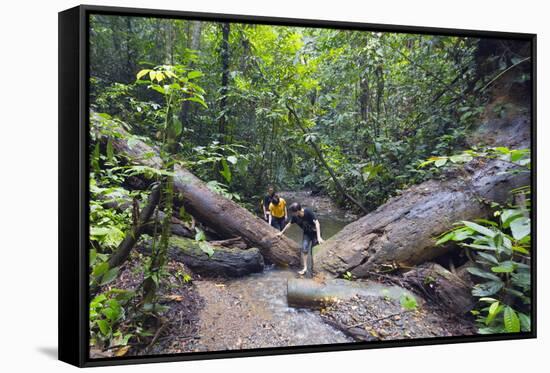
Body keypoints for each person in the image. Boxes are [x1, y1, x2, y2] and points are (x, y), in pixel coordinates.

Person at [277, 202, 324, 277]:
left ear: (297, 211)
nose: (292, 214)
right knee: (304, 249)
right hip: (307, 234)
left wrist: (319, 237)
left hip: (315, 234)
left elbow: (317, 223)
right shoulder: (295, 217)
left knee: (313, 252)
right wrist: (281, 233)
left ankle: (314, 269)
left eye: (293, 212)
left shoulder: (308, 212)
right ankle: (305, 268)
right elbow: (289, 224)